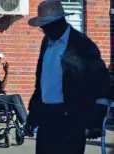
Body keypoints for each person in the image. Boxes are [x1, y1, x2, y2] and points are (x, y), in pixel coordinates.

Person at [26, 1, 110, 154]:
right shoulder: (46, 43)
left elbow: (102, 84)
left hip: (71, 118)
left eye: (46, 26)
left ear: (59, 22)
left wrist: (96, 121)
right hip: (47, 117)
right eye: (42, 27)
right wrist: (33, 114)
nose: (43, 30)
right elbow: (41, 82)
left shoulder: (82, 45)